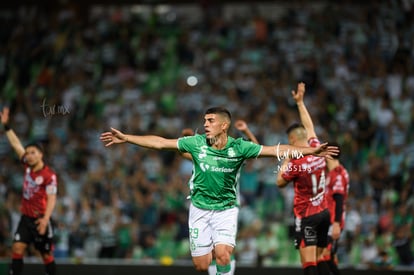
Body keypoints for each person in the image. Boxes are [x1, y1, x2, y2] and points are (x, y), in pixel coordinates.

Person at [100, 106, 338, 274]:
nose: (205, 125)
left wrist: (310, 151)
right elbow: (161, 143)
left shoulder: (239, 147)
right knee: (202, 265)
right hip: (199, 209)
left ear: (224, 125)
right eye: (204, 121)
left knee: (223, 254)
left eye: (210, 121)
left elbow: (275, 150)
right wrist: (127, 138)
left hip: (225, 210)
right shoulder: (195, 143)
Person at [276, 83, 331, 275]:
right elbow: (310, 126)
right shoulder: (317, 147)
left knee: (308, 263)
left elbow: (280, 182)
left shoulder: (297, 163)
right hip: (324, 212)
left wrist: (287, 157)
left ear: (291, 141)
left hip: (307, 217)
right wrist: (300, 103)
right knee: (322, 257)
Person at [0, 106, 58, 275]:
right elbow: (16, 145)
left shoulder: (49, 175)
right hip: (26, 217)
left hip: (41, 219)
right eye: (28, 153)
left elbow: (52, 198)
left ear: (41, 154)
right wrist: (6, 126)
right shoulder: (27, 166)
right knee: (17, 247)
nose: (29, 155)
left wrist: (46, 219)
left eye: (33, 152)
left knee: (45, 254)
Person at [321, 141, 349, 275]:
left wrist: (337, 223)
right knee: (328, 256)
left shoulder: (338, 174)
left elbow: (339, 199)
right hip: (328, 221)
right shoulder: (330, 173)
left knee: (324, 256)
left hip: (333, 221)